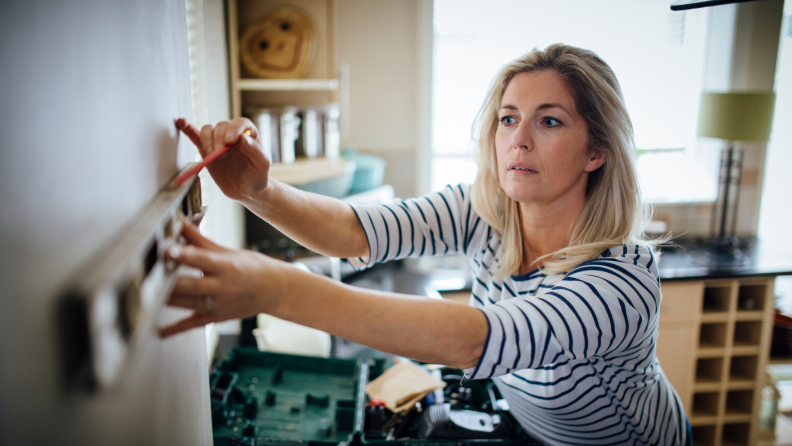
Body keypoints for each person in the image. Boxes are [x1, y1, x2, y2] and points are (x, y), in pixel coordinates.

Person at [163, 44, 690, 446]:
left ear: (596, 151)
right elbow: (356, 231)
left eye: (549, 121)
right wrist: (258, 191)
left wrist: (278, 289)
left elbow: (477, 341)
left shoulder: (621, 281)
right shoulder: (486, 209)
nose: (518, 139)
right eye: (509, 118)